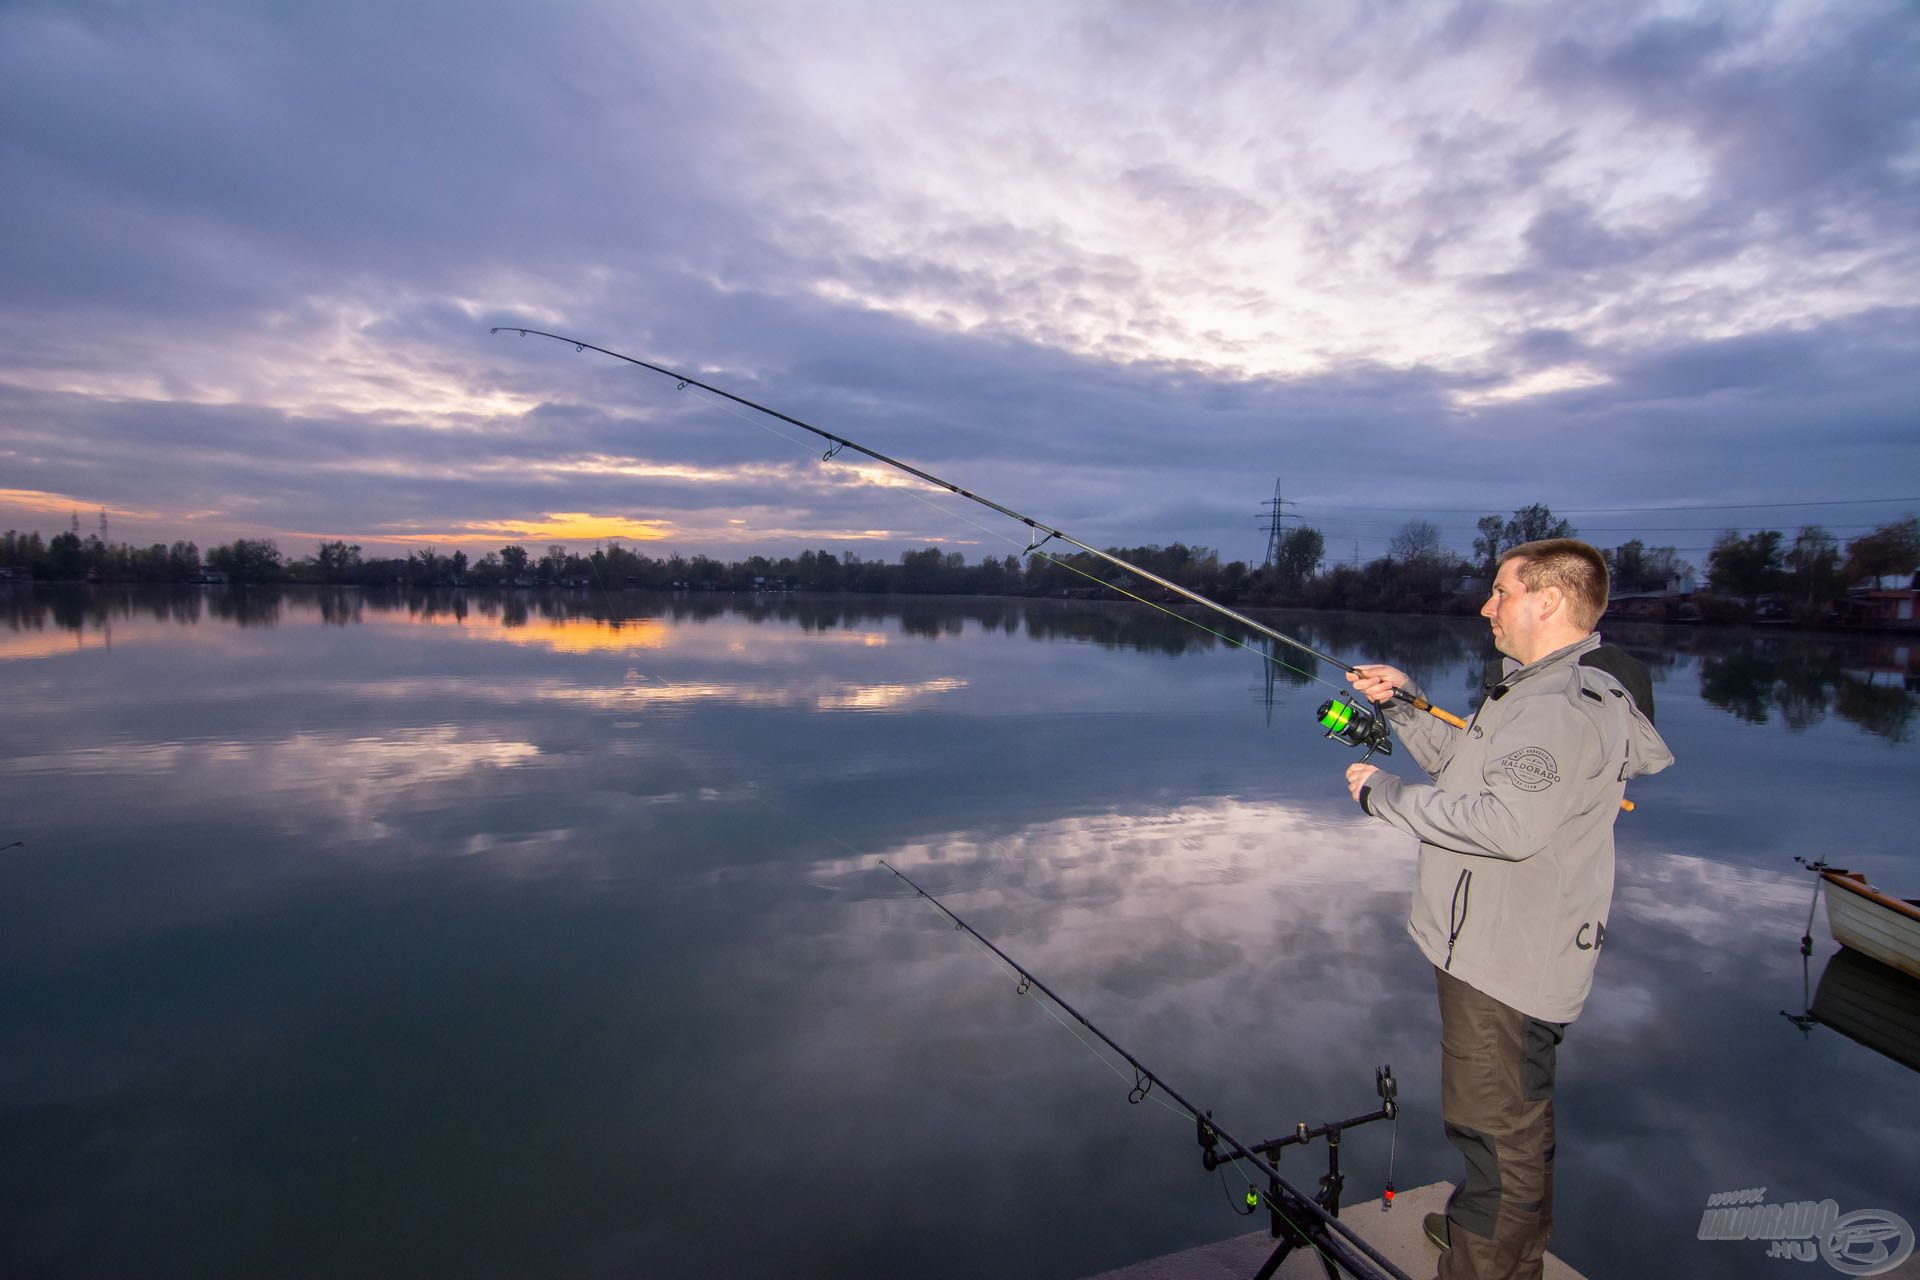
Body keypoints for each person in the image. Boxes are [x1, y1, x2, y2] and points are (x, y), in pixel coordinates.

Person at [1342, 539, 1673, 1280]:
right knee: (1510, 1126)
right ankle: (1488, 1236)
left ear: (1547, 601)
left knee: (1497, 1138)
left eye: (1500, 591)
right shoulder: (1535, 689)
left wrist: (1381, 797)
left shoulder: (1563, 706)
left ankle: (1487, 1260)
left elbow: (1506, 824)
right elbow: (1472, 773)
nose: (1486, 606)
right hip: (1496, 944)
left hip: (1507, 963)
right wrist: (1404, 705)